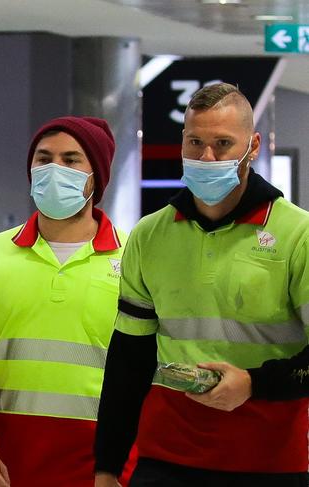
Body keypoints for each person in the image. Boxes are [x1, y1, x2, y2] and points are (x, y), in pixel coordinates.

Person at [94, 82, 309, 487]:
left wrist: (254, 384)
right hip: (165, 462)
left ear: (254, 145)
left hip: (269, 464)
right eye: (195, 142)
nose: (206, 157)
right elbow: (129, 361)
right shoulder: (150, 234)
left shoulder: (298, 235)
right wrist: (107, 466)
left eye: (223, 143)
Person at [0, 116, 136, 487]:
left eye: (71, 160)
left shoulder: (135, 260)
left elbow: (151, 379)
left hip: (105, 472)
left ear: (97, 176)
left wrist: (124, 469)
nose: (54, 169)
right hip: (7, 470)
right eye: (43, 159)